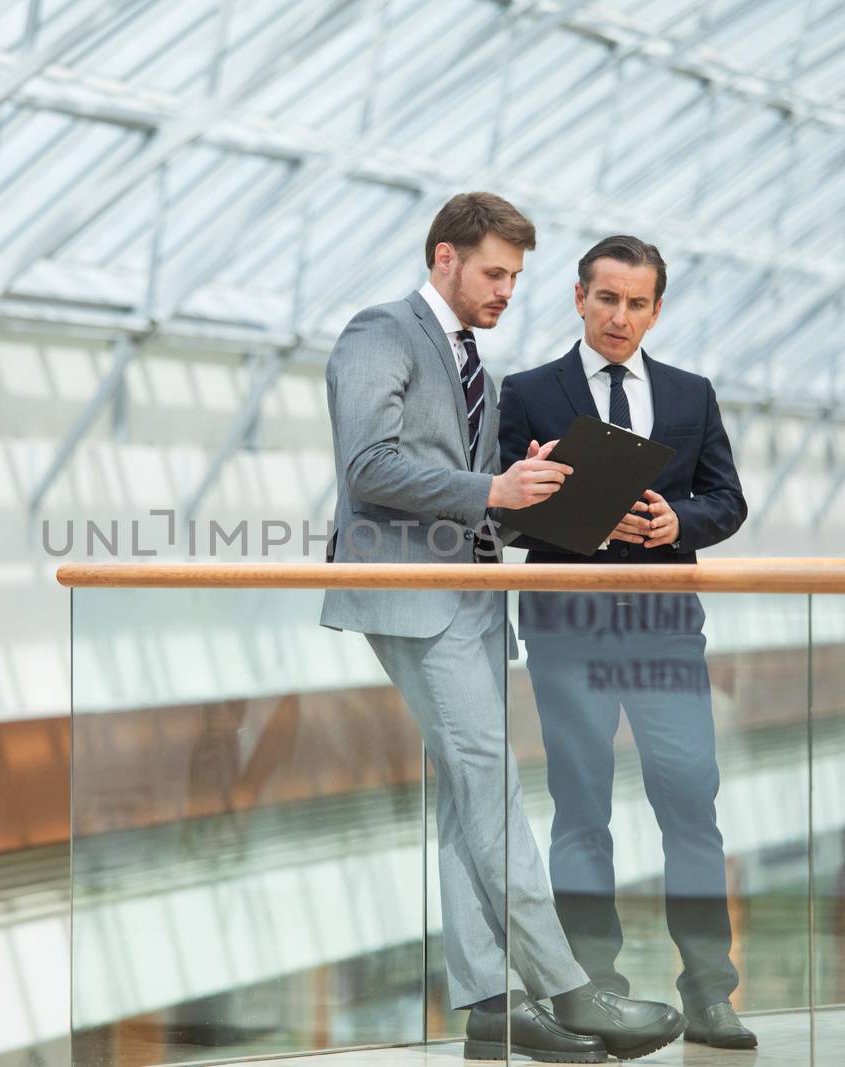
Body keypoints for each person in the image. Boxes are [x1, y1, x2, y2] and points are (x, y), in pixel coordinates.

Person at [322, 195, 686, 1062]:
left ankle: (491, 1004)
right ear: (444, 257)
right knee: (489, 783)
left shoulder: (468, 356)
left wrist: (526, 485)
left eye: (517, 279)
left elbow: (465, 481)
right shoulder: (379, 334)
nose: (505, 292)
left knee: (468, 792)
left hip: (473, 594)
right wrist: (490, 490)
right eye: (494, 273)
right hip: (414, 595)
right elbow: (368, 467)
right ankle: (567, 987)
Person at [496, 235, 756, 1050]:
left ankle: (711, 994)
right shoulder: (531, 393)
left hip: (663, 630)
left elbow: (728, 501)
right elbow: (497, 515)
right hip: (567, 625)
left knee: (689, 798)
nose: (619, 316)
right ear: (579, 298)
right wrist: (541, 496)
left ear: (656, 309)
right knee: (581, 805)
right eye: (605, 298)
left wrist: (683, 522)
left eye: (636, 302)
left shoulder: (690, 394)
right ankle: (596, 990)